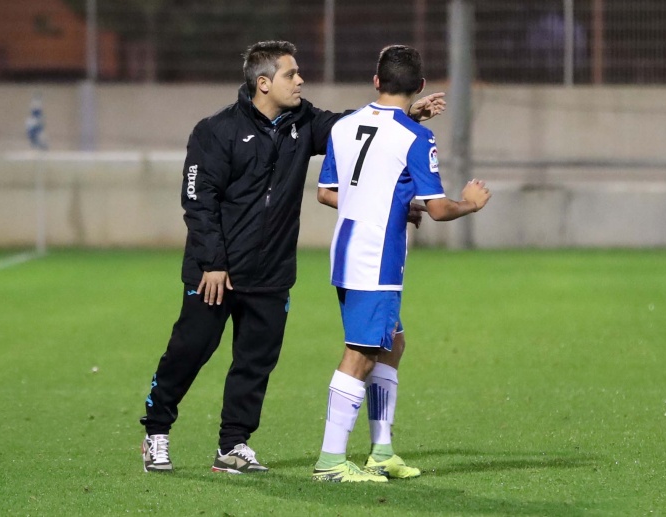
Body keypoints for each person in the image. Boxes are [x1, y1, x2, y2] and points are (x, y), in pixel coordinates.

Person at [140, 40, 447, 474]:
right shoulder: (215, 131)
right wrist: (213, 263)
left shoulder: (303, 122)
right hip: (216, 272)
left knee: (255, 363)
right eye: (291, 74)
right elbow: (198, 201)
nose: (300, 80)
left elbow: (353, 128)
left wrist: (406, 113)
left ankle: (233, 445)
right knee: (189, 351)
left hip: (272, 271)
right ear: (264, 83)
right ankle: (156, 432)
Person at [311, 44, 492, 482]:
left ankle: (381, 452)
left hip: (349, 249)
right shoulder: (415, 136)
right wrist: (470, 203)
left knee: (392, 344)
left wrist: (393, 204)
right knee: (361, 353)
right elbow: (439, 209)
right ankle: (330, 462)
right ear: (421, 86)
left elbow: (327, 192)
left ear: (376, 81)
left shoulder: (345, 126)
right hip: (376, 258)